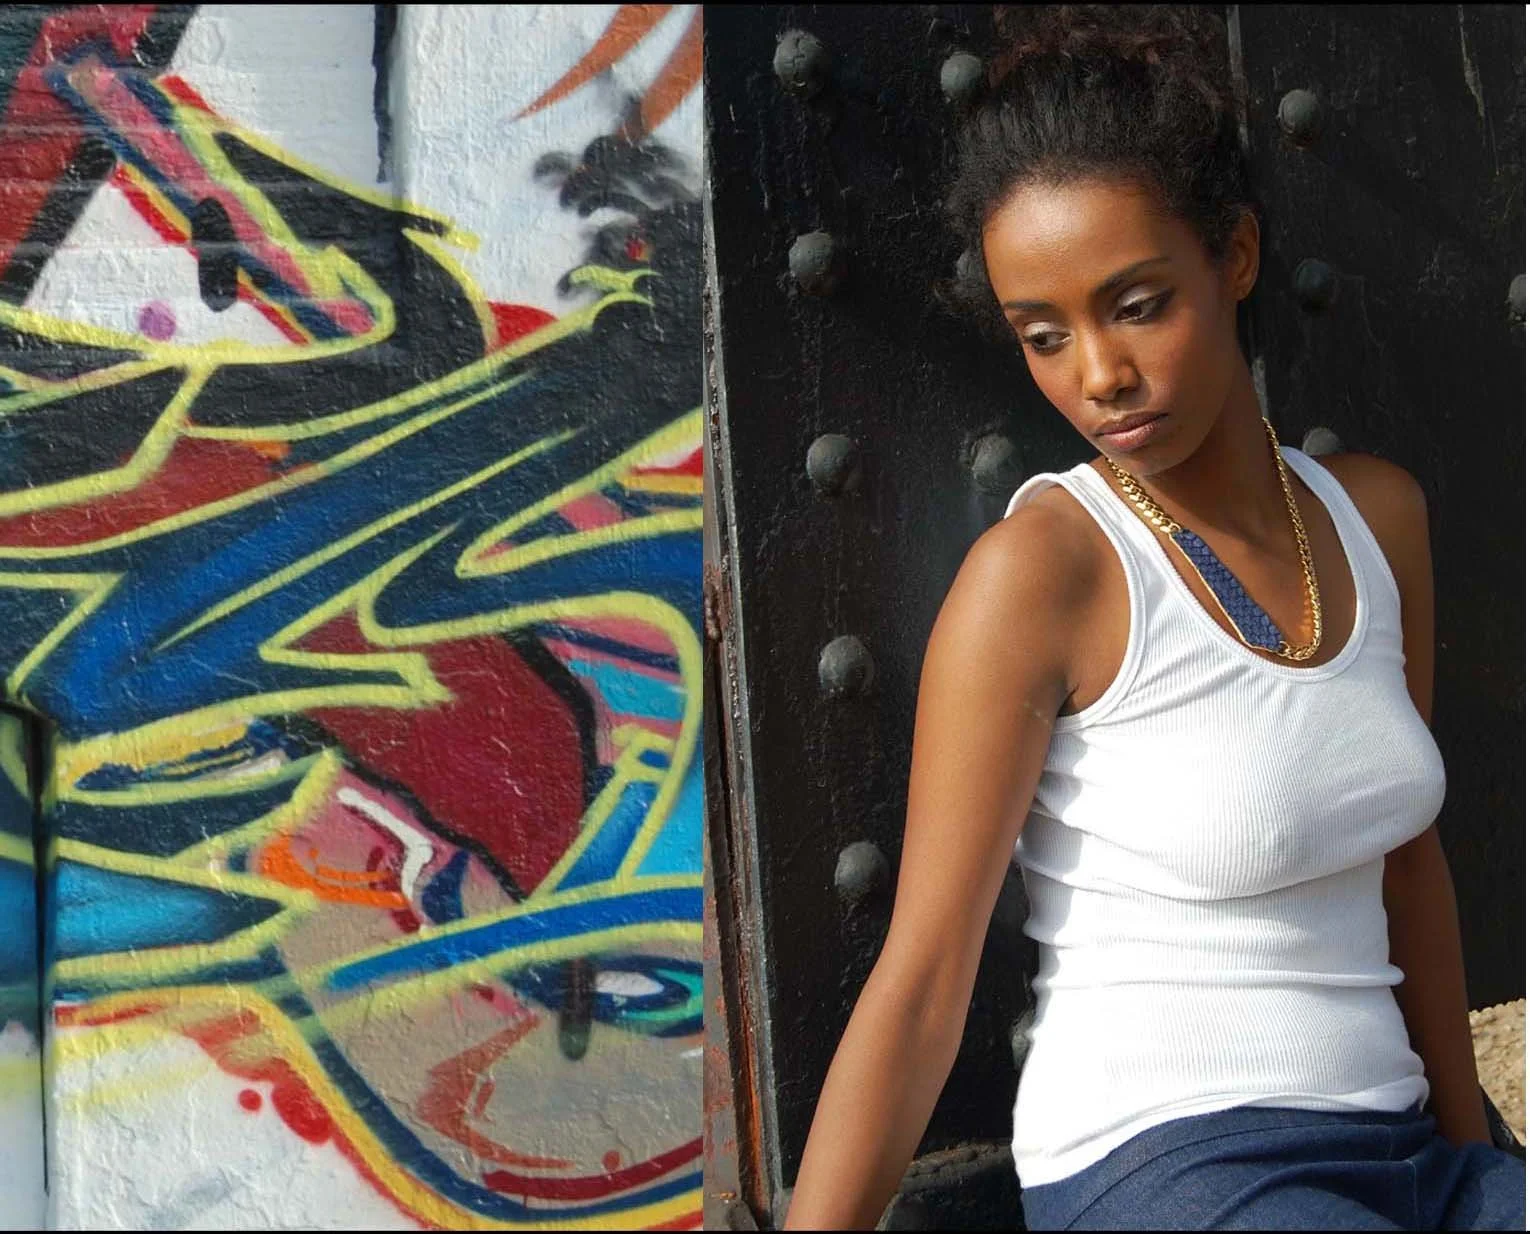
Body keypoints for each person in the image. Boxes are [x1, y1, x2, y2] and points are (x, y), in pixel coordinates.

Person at [780, 6, 1526, 1230]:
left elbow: (1408, 866)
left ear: (1236, 256)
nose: (1098, 375)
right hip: (1169, 1163)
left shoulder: (1375, 519)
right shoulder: (1043, 574)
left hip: (1400, 1151)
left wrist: (1475, 1166)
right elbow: (922, 980)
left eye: (1136, 304)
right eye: (1043, 335)